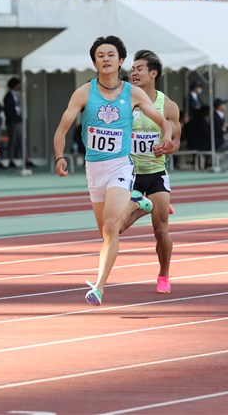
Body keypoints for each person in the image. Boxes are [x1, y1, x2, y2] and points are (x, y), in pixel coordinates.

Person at [53, 35, 173, 306]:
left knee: (110, 226)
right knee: (108, 233)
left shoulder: (133, 93)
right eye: (100, 56)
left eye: (111, 55)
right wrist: (59, 157)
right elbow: (62, 129)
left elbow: (162, 121)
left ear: (120, 60)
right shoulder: (84, 92)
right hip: (94, 169)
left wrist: (166, 136)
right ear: (95, 62)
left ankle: (99, 287)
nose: (105, 59)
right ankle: (140, 205)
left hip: (120, 166)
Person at [118, 50, 181, 295]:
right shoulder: (124, 101)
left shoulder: (168, 106)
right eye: (132, 69)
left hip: (156, 173)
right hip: (129, 174)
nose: (133, 73)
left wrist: (167, 146)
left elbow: (176, 143)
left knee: (160, 230)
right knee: (118, 228)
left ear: (153, 73)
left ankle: (164, 275)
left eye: (139, 69)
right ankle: (146, 205)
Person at [3, 77, 22, 168]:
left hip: (18, 120)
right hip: (12, 122)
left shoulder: (17, 95)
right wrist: (12, 120)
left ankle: (25, 158)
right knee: (12, 141)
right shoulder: (8, 96)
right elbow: (8, 110)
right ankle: (11, 159)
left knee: (21, 140)